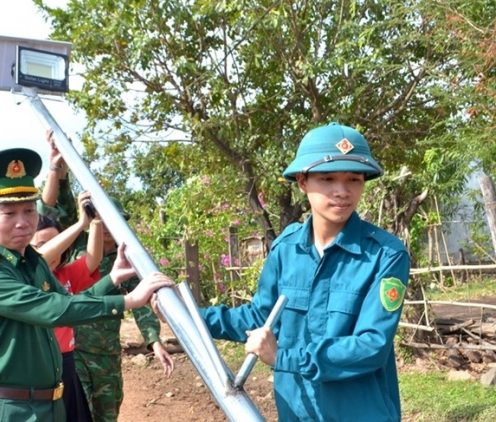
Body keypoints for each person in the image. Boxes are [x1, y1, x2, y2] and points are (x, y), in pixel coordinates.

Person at [156, 123, 410, 422]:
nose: (342, 191)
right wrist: (185, 312)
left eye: (353, 179)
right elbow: (258, 320)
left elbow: (372, 346)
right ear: (302, 182)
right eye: (328, 178)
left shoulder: (385, 254)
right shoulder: (286, 250)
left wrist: (283, 358)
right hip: (295, 412)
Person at [0, 148, 174, 422]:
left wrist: (112, 279)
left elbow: (69, 298)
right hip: (11, 409)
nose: (23, 223)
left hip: (48, 404)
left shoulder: (31, 260)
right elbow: (55, 309)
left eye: (29, 210)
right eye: (9, 213)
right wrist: (129, 301)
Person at [39, 131, 175, 422]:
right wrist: (59, 166)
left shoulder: (128, 258)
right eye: (106, 220)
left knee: (107, 413)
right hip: (75, 354)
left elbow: (142, 303)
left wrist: (154, 341)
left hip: (107, 354)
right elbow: (51, 208)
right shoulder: (75, 247)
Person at [31, 191, 102, 422]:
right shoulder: (26, 276)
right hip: (38, 365)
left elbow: (93, 259)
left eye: (58, 243)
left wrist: (97, 221)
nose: (53, 250)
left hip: (66, 363)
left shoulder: (66, 275)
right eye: (42, 244)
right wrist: (81, 223)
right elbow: (39, 258)